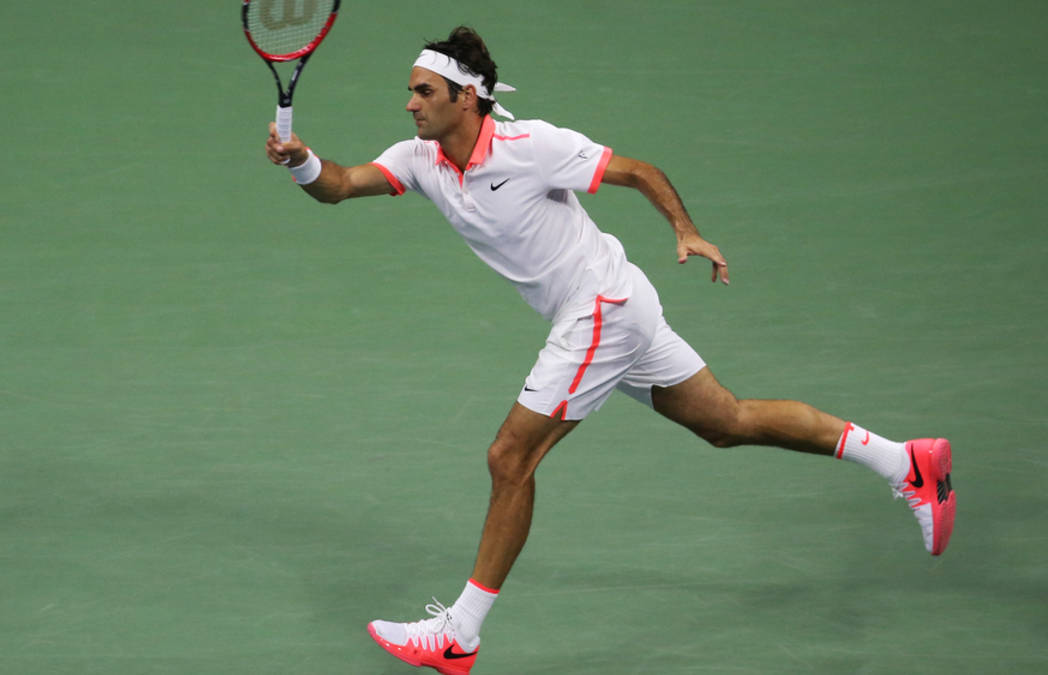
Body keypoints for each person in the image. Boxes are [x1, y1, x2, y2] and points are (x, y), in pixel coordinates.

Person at [264, 26, 956, 675]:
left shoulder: (531, 146)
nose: (410, 103)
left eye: (423, 91)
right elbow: (340, 186)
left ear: (465, 97)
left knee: (510, 456)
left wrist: (684, 230)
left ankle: (459, 634)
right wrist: (303, 163)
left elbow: (639, 171)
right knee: (727, 422)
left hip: (602, 308)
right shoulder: (419, 160)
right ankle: (906, 461)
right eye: (411, 91)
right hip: (616, 306)